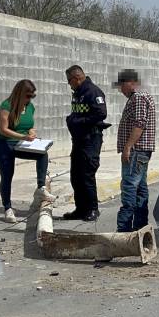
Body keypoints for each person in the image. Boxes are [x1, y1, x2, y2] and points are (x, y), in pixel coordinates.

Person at [0, 79, 48, 223]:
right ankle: (8, 208)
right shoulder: (6, 105)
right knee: (7, 176)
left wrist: (31, 132)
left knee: (42, 154)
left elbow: (29, 125)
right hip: (4, 144)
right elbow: (3, 130)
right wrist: (23, 136)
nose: (30, 99)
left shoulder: (30, 106)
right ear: (20, 94)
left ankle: (41, 188)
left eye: (32, 96)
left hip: (22, 143)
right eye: (28, 96)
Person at [63, 65, 107, 222]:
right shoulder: (78, 93)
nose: (69, 84)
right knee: (76, 176)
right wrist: (72, 119)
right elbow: (78, 112)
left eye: (70, 81)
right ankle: (80, 208)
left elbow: (101, 113)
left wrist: (80, 121)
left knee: (87, 175)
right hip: (78, 140)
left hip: (90, 140)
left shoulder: (92, 92)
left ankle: (93, 209)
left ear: (77, 78)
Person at [114, 69, 156, 233]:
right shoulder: (141, 96)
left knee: (130, 188)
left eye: (121, 86)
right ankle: (140, 228)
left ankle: (123, 230)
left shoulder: (138, 97)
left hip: (136, 151)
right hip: (141, 151)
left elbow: (139, 124)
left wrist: (128, 146)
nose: (121, 90)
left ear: (129, 83)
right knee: (140, 189)